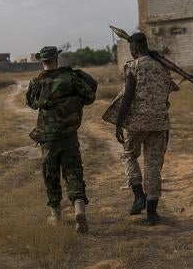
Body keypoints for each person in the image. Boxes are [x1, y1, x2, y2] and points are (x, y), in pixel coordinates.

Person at [107, 33, 178, 225]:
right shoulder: (164, 67)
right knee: (153, 165)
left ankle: (138, 195)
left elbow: (128, 97)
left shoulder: (133, 66)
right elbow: (168, 91)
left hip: (137, 123)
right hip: (159, 123)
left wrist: (119, 124)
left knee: (128, 155)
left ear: (134, 49)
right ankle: (152, 213)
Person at [26, 46, 97, 234]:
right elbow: (89, 96)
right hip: (69, 137)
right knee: (73, 172)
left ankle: (55, 215)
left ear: (42, 61)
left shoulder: (37, 82)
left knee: (51, 175)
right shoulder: (71, 77)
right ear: (57, 58)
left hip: (48, 139)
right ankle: (79, 209)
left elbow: (32, 104)